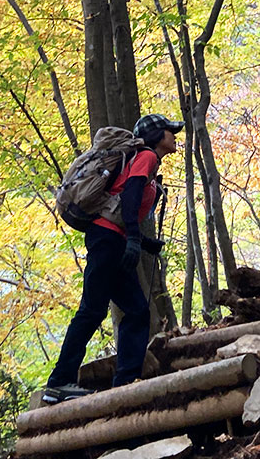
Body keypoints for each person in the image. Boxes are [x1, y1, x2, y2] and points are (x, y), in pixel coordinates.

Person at [43, 113, 181, 404]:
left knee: (136, 310)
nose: (174, 135)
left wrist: (141, 242)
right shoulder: (146, 156)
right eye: (170, 131)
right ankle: (59, 382)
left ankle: (126, 381)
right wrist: (133, 237)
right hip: (108, 241)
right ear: (157, 135)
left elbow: (117, 207)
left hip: (112, 240)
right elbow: (130, 196)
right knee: (93, 310)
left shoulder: (141, 159)